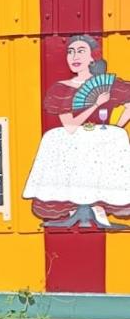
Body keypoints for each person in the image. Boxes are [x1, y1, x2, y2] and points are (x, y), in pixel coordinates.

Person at [23, 35, 130, 230]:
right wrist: (95, 104)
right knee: (57, 144)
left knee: (114, 143)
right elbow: (70, 125)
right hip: (71, 139)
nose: (74, 56)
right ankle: (78, 210)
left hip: (101, 140)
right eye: (70, 52)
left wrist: (116, 126)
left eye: (81, 51)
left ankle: (96, 209)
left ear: (92, 57)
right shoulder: (61, 89)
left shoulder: (108, 84)